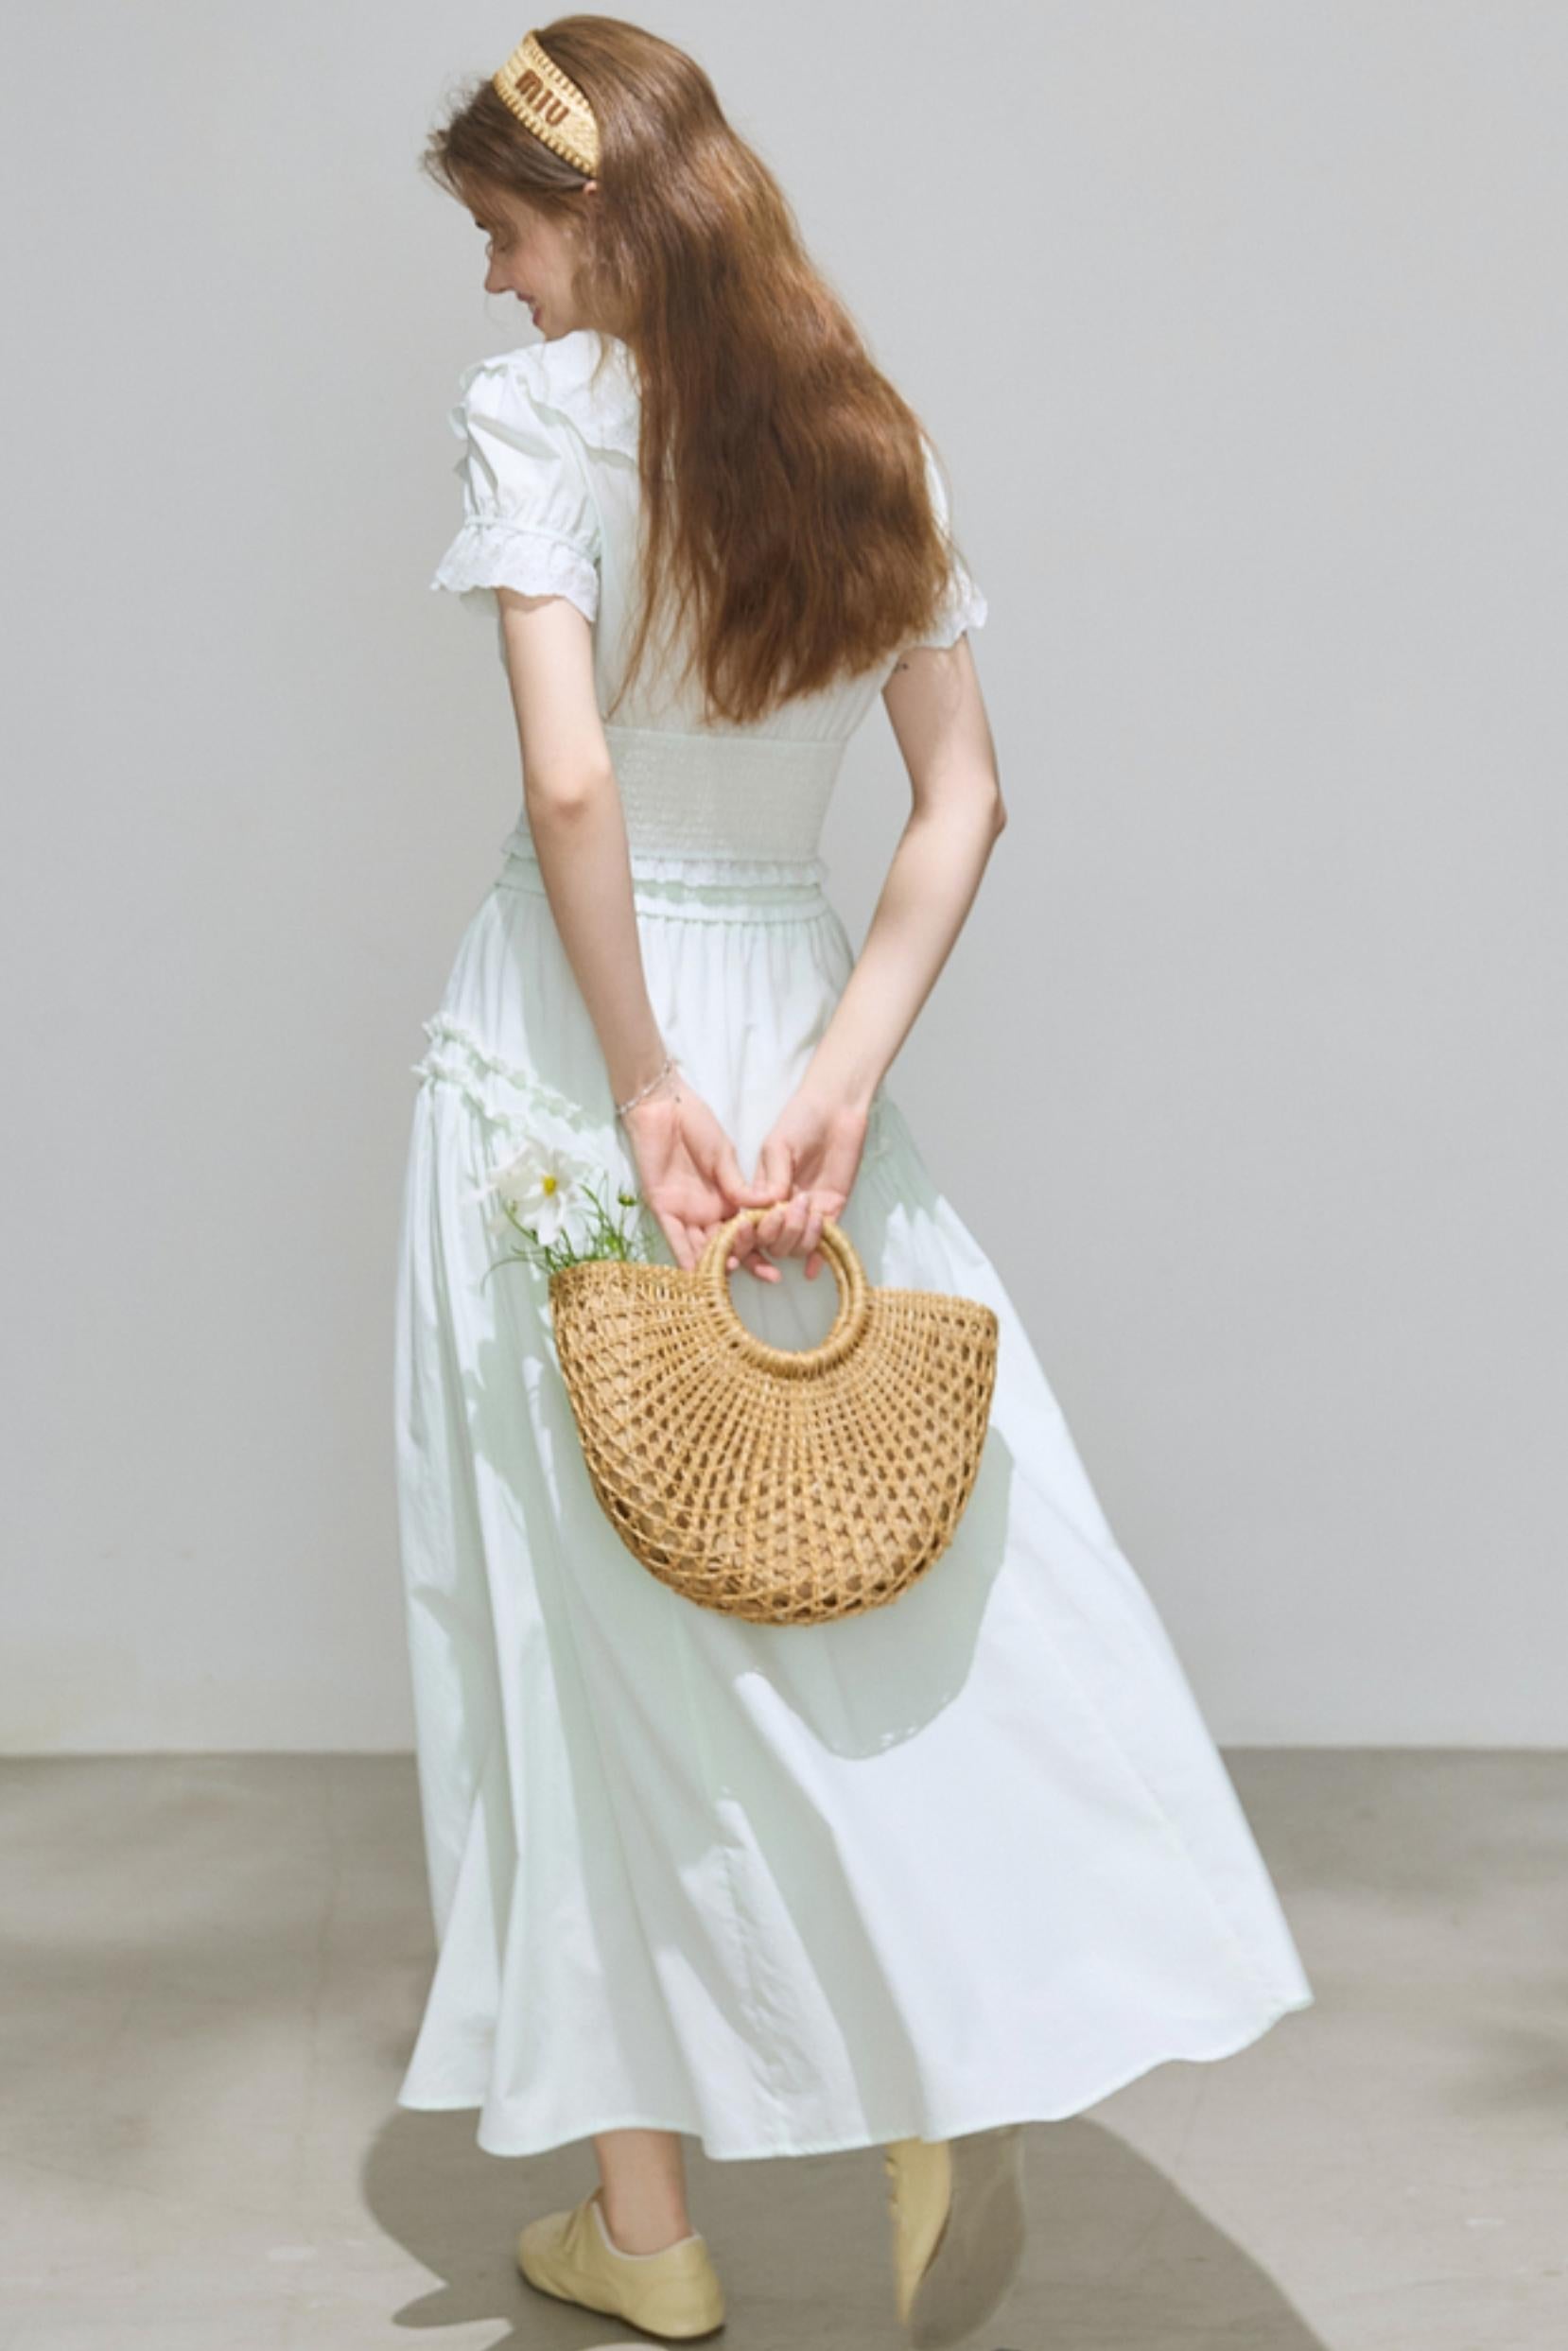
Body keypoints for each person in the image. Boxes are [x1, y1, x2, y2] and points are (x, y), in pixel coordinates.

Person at [394, 18, 1315, 2346]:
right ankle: (938, 2062)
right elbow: (961, 796)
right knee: (873, 1575)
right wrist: (828, 1076)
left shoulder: (538, 420)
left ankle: (654, 2231)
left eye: (502, 235)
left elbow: (574, 787)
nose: (495, 286)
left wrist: (637, 1083)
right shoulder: (861, 437)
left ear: (596, 217)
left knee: (576, 1621)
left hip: (577, 1043)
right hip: (791, 1024)